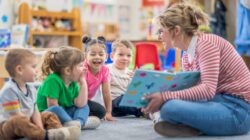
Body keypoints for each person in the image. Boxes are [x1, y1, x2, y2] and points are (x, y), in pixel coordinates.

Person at [142, 3, 250, 137]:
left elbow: (207, 90)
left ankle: (187, 124)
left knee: (169, 108)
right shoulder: (186, 55)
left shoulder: (206, 44)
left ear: (176, 30)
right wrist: (156, 97)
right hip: (217, 101)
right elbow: (192, 90)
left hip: (238, 111)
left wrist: (164, 97)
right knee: (166, 105)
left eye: (161, 31)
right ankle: (193, 127)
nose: (159, 37)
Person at [0, 48, 80, 140]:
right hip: (6, 128)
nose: (36, 71)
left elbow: (35, 111)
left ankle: (59, 131)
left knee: (48, 114)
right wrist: (39, 132)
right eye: (33, 67)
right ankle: (47, 136)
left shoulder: (30, 88)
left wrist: (40, 128)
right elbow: (16, 116)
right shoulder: (9, 90)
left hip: (27, 122)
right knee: (18, 121)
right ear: (20, 70)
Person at [37, 46, 101, 130]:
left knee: (84, 106)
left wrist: (83, 83)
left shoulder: (73, 82)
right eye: (80, 65)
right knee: (56, 109)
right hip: (48, 115)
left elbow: (80, 104)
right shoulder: (52, 80)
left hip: (65, 112)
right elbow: (52, 107)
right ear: (67, 71)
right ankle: (78, 124)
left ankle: (78, 123)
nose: (84, 68)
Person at [82, 36, 116, 121]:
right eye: (93, 54)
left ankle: (81, 114)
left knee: (101, 112)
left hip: (85, 101)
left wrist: (108, 112)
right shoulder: (83, 69)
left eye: (101, 54)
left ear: (106, 56)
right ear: (85, 56)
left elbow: (106, 93)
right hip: (74, 99)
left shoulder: (105, 70)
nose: (97, 57)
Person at [107, 40, 143, 117]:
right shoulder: (107, 70)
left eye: (128, 56)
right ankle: (143, 111)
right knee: (123, 100)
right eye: (120, 54)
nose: (125, 58)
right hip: (112, 105)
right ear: (112, 56)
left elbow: (133, 91)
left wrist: (137, 81)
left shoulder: (130, 73)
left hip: (126, 103)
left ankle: (148, 108)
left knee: (141, 96)